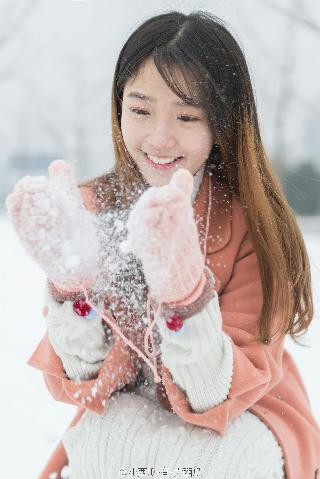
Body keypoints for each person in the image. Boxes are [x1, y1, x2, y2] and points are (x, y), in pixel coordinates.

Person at [6, 10, 320, 479]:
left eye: (187, 115)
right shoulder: (95, 209)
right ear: (118, 108)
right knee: (99, 454)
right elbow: (92, 386)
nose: (159, 137)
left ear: (223, 124)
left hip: (244, 415)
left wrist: (183, 294)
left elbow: (218, 395)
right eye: (140, 109)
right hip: (133, 410)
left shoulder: (252, 223)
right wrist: (73, 286)